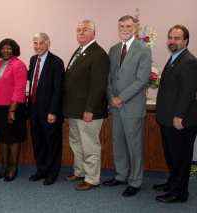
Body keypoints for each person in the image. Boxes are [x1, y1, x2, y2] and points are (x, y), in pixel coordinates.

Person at [154, 25, 197, 203]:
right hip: (168, 118)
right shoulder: (175, 58)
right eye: (170, 38)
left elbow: (187, 92)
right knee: (172, 155)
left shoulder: (189, 62)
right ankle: (172, 183)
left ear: (185, 41)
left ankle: (179, 192)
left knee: (181, 158)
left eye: (177, 38)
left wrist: (179, 116)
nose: (172, 41)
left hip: (181, 120)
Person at [104, 15, 151, 197]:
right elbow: (109, 77)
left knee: (135, 146)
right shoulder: (113, 49)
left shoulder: (143, 49)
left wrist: (120, 98)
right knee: (119, 144)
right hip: (115, 108)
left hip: (131, 106)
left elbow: (141, 80)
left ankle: (136, 181)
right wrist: (111, 97)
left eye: (128, 26)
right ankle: (121, 175)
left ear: (134, 28)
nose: (124, 28)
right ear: (118, 28)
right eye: (121, 25)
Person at [63, 20, 109, 191]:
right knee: (76, 143)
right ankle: (80, 171)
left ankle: (92, 177)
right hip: (74, 109)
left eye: (85, 30)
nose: (81, 33)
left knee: (90, 145)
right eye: (78, 30)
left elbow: (98, 85)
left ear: (93, 34)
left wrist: (89, 109)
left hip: (88, 111)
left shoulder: (98, 54)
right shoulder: (81, 51)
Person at [27, 32, 65, 186]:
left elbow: (58, 90)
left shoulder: (56, 62)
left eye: (41, 43)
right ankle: (41, 170)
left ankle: (53, 173)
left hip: (50, 112)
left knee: (52, 144)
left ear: (48, 43)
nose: (38, 46)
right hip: (34, 110)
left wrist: (53, 112)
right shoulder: (32, 59)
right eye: (35, 43)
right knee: (38, 142)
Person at [0, 38, 27, 182]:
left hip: (13, 106)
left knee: (13, 138)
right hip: (0, 106)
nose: (5, 51)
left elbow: (19, 88)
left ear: (14, 50)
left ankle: (14, 167)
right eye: (3, 48)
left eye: (9, 48)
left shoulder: (19, 65)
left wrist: (12, 110)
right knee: (3, 138)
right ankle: (4, 165)